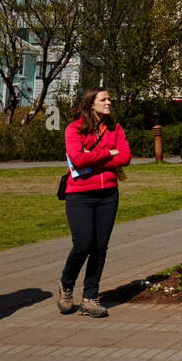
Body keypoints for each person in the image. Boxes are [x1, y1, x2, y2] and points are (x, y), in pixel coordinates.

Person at [59, 88, 131, 317]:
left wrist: (98, 155)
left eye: (110, 98)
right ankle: (66, 284)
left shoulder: (115, 128)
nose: (109, 102)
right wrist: (109, 153)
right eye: (104, 99)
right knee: (83, 244)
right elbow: (77, 158)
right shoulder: (74, 128)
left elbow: (126, 157)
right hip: (80, 194)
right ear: (91, 104)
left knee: (99, 247)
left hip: (108, 193)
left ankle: (90, 296)